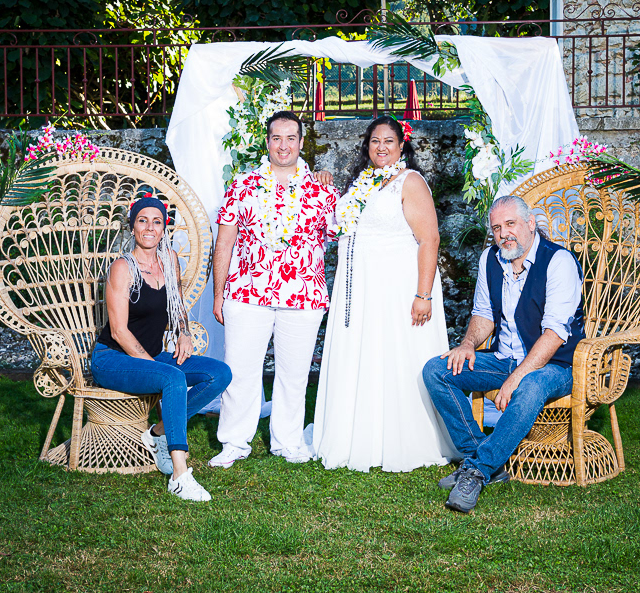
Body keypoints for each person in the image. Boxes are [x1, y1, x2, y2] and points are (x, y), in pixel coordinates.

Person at [309, 116, 458, 472]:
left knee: (397, 356)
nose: (381, 147)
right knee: (367, 355)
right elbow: (336, 223)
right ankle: (360, 435)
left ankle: (403, 439)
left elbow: (429, 240)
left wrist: (423, 294)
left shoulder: (410, 182)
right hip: (362, 292)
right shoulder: (362, 182)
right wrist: (323, 184)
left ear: (401, 146)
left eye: (388, 141)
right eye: (375, 141)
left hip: (396, 289)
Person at [423, 195, 585, 513]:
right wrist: (468, 344)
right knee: (436, 370)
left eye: (510, 224)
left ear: (530, 224)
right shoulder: (490, 260)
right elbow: (483, 315)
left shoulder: (558, 262)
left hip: (557, 364)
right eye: (497, 228)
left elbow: (554, 335)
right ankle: (485, 460)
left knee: (530, 385)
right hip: (503, 358)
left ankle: (475, 472)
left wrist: (517, 376)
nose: (504, 234)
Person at [210, 110, 339, 468]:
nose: (284, 145)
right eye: (277, 138)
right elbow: (223, 245)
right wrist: (219, 294)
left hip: (303, 296)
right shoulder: (242, 185)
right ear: (267, 142)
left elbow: (345, 237)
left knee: (295, 374)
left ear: (301, 142)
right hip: (246, 294)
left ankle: (287, 441)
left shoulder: (323, 190)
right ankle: (234, 442)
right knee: (240, 370)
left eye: (291, 138)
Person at [90, 193, 231, 501]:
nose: (150, 228)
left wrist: (183, 333)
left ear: (164, 228)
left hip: (151, 355)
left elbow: (177, 305)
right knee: (172, 377)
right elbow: (119, 330)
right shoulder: (122, 268)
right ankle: (180, 475)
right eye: (142, 221)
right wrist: (157, 367)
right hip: (112, 358)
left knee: (218, 374)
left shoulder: (169, 261)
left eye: (156, 221)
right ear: (132, 227)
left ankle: (156, 434)